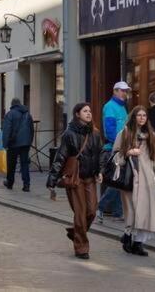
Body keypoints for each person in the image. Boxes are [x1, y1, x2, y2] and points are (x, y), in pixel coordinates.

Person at [114, 106, 155, 257]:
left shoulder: (152, 137)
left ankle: (138, 243)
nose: (141, 118)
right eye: (139, 115)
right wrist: (127, 152)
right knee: (132, 211)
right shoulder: (125, 133)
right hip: (129, 180)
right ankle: (128, 235)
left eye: (144, 115)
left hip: (147, 181)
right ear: (133, 117)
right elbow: (115, 155)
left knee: (146, 213)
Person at [47, 103, 103, 259]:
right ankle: (81, 248)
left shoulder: (95, 133)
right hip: (75, 178)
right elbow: (60, 157)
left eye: (90, 111)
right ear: (77, 114)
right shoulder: (69, 134)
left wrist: (100, 171)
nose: (89, 113)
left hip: (90, 177)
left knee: (91, 211)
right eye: (85, 111)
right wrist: (52, 179)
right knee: (80, 213)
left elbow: (100, 154)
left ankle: (76, 232)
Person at [98, 82, 131, 222]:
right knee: (117, 181)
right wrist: (121, 144)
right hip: (115, 148)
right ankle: (101, 207)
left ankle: (118, 212)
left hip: (122, 147)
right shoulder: (110, 106)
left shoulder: (123, 107)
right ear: (115, 91)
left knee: (119, 181)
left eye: (126, 91)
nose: (125, 93)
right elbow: (109, 130)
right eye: (123, 91)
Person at [1, 98, 34, 192]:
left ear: (12, 105)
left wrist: (5, 143)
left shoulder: (10, 114)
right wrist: (29, 141)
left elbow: (6, 130)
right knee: (24, 164)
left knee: (11, 164)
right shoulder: (28, 114)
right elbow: (32, 130)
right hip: (25, 143)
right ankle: (26, 184)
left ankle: (10, 183)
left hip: (13, 143)